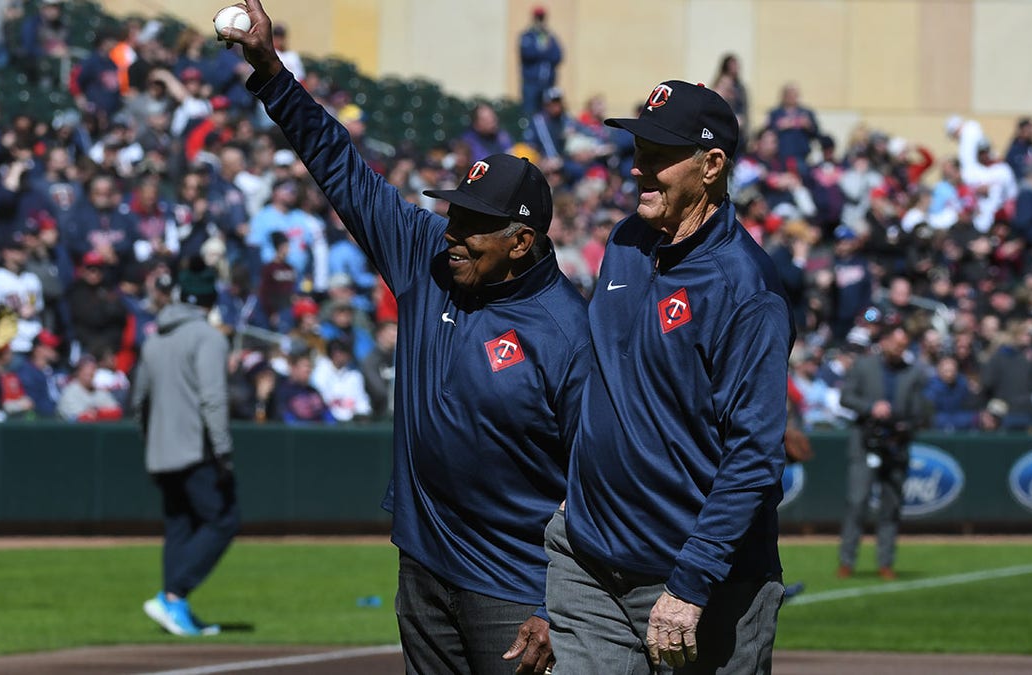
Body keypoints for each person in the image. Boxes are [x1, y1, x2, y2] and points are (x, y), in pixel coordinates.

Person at [222, 4, 592, 673]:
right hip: (423, 562)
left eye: (474, 225)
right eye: (453, 214)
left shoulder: (568, 330)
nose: (452, 233)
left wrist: (556, 601)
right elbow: (344, 172)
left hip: (514, 587)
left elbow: (596, 480)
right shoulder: (428, 256)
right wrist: (273, 72)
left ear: (523, 241)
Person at [547, 80, 793, 673]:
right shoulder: (627, 241)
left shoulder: (747, 290)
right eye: (638, 151)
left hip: (699, 581)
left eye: (659, 156)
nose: (639, 170)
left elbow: (755, 456)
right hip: (589, 557)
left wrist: (690, 584)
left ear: (711, 166)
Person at [131, 260, 239, 636]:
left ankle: (175, 608)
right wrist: (223, 451)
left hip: (161, 450)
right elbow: (213, 399)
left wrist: (150, 442)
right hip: (197, 448)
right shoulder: (207, 337)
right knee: (223, 519)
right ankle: (173, 596)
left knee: (179, 526)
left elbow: (139, 401)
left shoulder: (155, 337)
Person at [836, 319, 929, 581]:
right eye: (897, 344)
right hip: (865, 441)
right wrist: (870, 407)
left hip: (896, 445)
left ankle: (885, 562)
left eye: (905, 345)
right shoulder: (864, 366)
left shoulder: (913, 372)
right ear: (885, 341)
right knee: (857, 502)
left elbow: (919, 411)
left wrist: (904, 422)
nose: (901, 349)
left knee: (891, 506)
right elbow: (846, 398)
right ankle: (847, 560)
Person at [518, 5, 562, 117]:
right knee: (529, 112)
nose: (540, 21)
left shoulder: (550, 36)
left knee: (547, 114)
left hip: (547, 83)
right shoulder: (527, 35)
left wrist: (542, 50)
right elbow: (527, 53)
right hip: (531, 83)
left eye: (541, 18)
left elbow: (557, 56)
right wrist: (544, 50)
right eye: (538, 18)